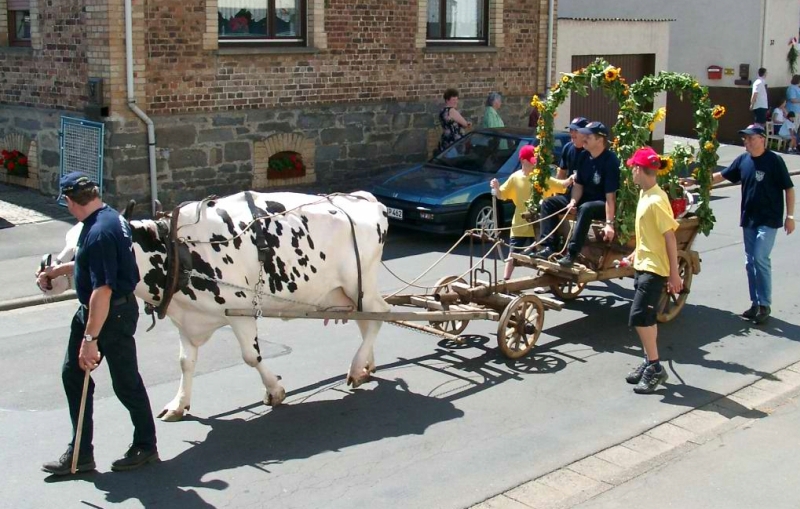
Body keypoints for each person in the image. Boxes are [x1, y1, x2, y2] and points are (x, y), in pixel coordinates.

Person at [37, 172, 158, 476]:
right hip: (97, 310)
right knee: (73, 375)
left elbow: (102, 290)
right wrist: (55, 272)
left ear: (68, 200)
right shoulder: (107, 219)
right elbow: (87, 263)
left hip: (110, 313)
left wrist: (90, 339)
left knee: (125, 382)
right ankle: (80, 453)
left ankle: (146, 444)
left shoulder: (100, 232)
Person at [684, 125, 794, 324]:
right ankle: (755, 304)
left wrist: (791, 217)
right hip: (749, 219)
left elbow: (789, 188)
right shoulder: (743, 160)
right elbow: (721, 176)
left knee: (760, 258)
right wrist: (695, 181)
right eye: (745, 139)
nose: (747, 142)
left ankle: (764, 304)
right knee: (750, 262)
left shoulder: (774, 161)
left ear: (762, 139)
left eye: (751, 138)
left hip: (769, 220)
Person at [621, 147, 683, 394]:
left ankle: (656, 368)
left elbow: (670, 238)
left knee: (638, 316)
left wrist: (674, 274)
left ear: (639, 169)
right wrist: (634, 255)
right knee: (646, 317)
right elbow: (649, 235)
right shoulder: (646, 194)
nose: (631, 173)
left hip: (655, 270)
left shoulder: (656, 200)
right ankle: (649, 362)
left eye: (632, 169)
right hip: (643, 264)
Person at [533, 121, 620, 267]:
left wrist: (609, 224)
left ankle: (572, 253)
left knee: (585, 208)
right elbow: (578, 185)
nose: (583, 138)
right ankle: (549, 246)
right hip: (582, 199)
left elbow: (610, 197)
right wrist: (572, 201)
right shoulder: (584, 156)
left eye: (588, 136)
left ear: (600, 140)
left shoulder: (610, 161)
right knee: (549, 203)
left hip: (600, 203)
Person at [437, 88, 471, 155]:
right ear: (447, 100)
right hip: (455, 142)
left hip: (446, 140)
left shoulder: (442, 111)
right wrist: (468, 124)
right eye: (453, 100)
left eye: (456, 99)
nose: (456, 101)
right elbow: (465, 124)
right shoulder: (452, 111)